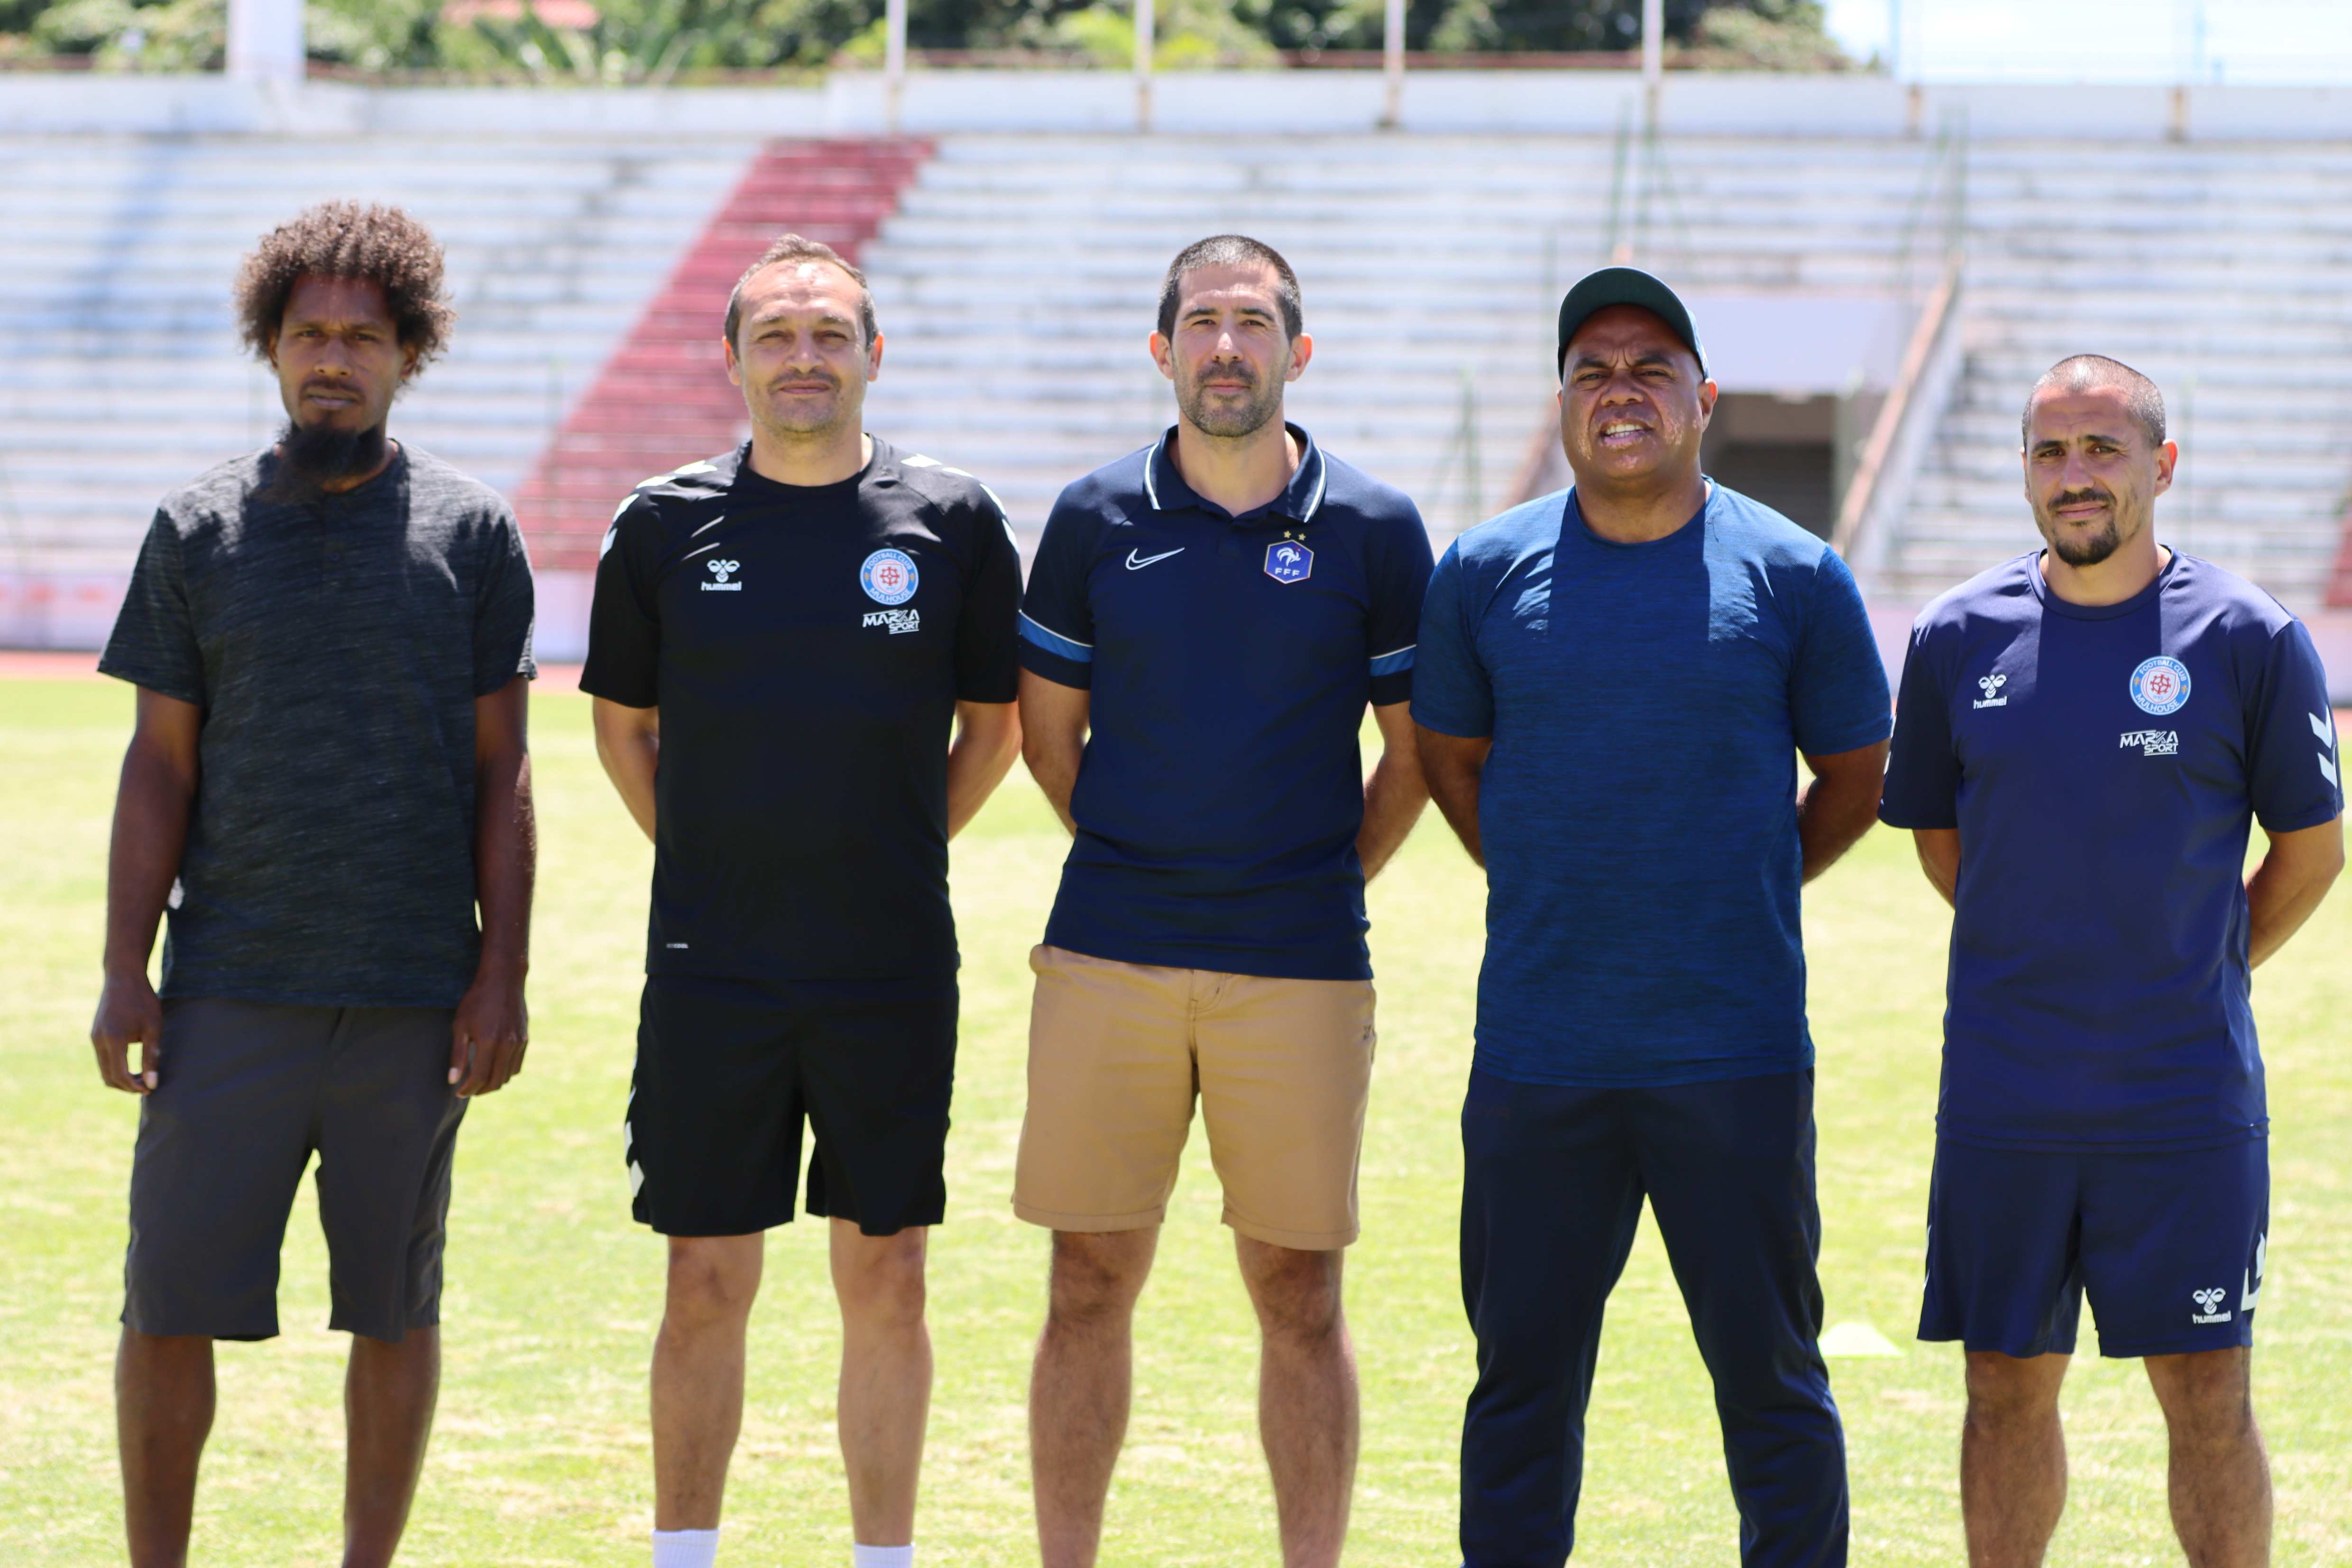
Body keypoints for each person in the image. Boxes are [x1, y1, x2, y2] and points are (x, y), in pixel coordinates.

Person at [1412, 266, 1891, 1568]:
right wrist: (1550, 863)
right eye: (1592, 369)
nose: (1619, 391)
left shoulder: (1795, 575)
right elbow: (1453, 761)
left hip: (1730, 1051)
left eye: (1650, 367)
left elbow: (1856, 775)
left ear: (1703, 397)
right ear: (1562, 400)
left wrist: (1743, 877)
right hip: (1538, 1056)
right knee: (1520, 1388)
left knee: (1773, 1380)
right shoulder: (1481, 571)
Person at [89, 201, 537, 1568]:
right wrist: (126, 967)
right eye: (307, 336)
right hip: (230, 989)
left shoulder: (473, 532)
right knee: (167, 1303)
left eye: (361, 336)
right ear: (269, 349)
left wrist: (500, 973)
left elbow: (504, 774)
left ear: (410, 352)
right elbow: (158, 764)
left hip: (410, 996)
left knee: (393, 1312)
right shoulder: (195, 526)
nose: (331, 358)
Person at [582, 233, 1023, 1568]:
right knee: (705, 1276)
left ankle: (881, 1557)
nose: (804, 358)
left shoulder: (951, 521)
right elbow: (622, 732)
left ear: (874, 356)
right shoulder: (663, 524)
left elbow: (993, 730)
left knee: (887, 1273)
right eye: (776, 334)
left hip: (887, 966)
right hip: (713, 970)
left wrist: (889, 846)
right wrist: (716, 859)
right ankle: (686, 1552)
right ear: (731, 360)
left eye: (830, 334)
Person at [1880, 354, 2343, 1568]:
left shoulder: (2246, 636)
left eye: (2099, 449)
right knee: (2002, 1391)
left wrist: (2201, 960)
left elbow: (2307, 848)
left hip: (2179, 1098)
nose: (2072, 476)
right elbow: (1944, 845)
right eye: (2048, 452)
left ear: (2160, 464)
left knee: (2204, 1394)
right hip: (2004, 1097)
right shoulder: (1953, 636)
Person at [1013, 234, 1433, 1568]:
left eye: (1254, 323)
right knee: (1086, 1279)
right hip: (1111, 953)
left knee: (1300, 1291)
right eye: (1203, 321)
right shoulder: (1092, 518)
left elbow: (1412, 753)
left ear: (1298, 353)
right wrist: (1149, 851)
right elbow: (1046, 739)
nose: (1227, 346)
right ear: (1163, 350)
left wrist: (1314, 875)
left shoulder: (1375, 527)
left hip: (1300, 961)